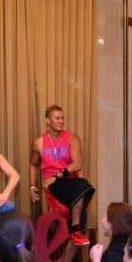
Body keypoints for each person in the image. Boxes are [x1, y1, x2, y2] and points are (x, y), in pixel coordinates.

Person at [29, 105, 95, 250]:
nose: (61, 121)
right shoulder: (39, 143)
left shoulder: (72, 138)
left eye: (62, 118)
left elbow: (77, 164)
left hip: (70, 183)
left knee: (80, 226)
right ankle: (74, 229)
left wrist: (59, 176)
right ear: (48, 121)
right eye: (57, 118)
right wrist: (32, 186)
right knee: (61, 228)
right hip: (52, 186)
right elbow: (33, 164)